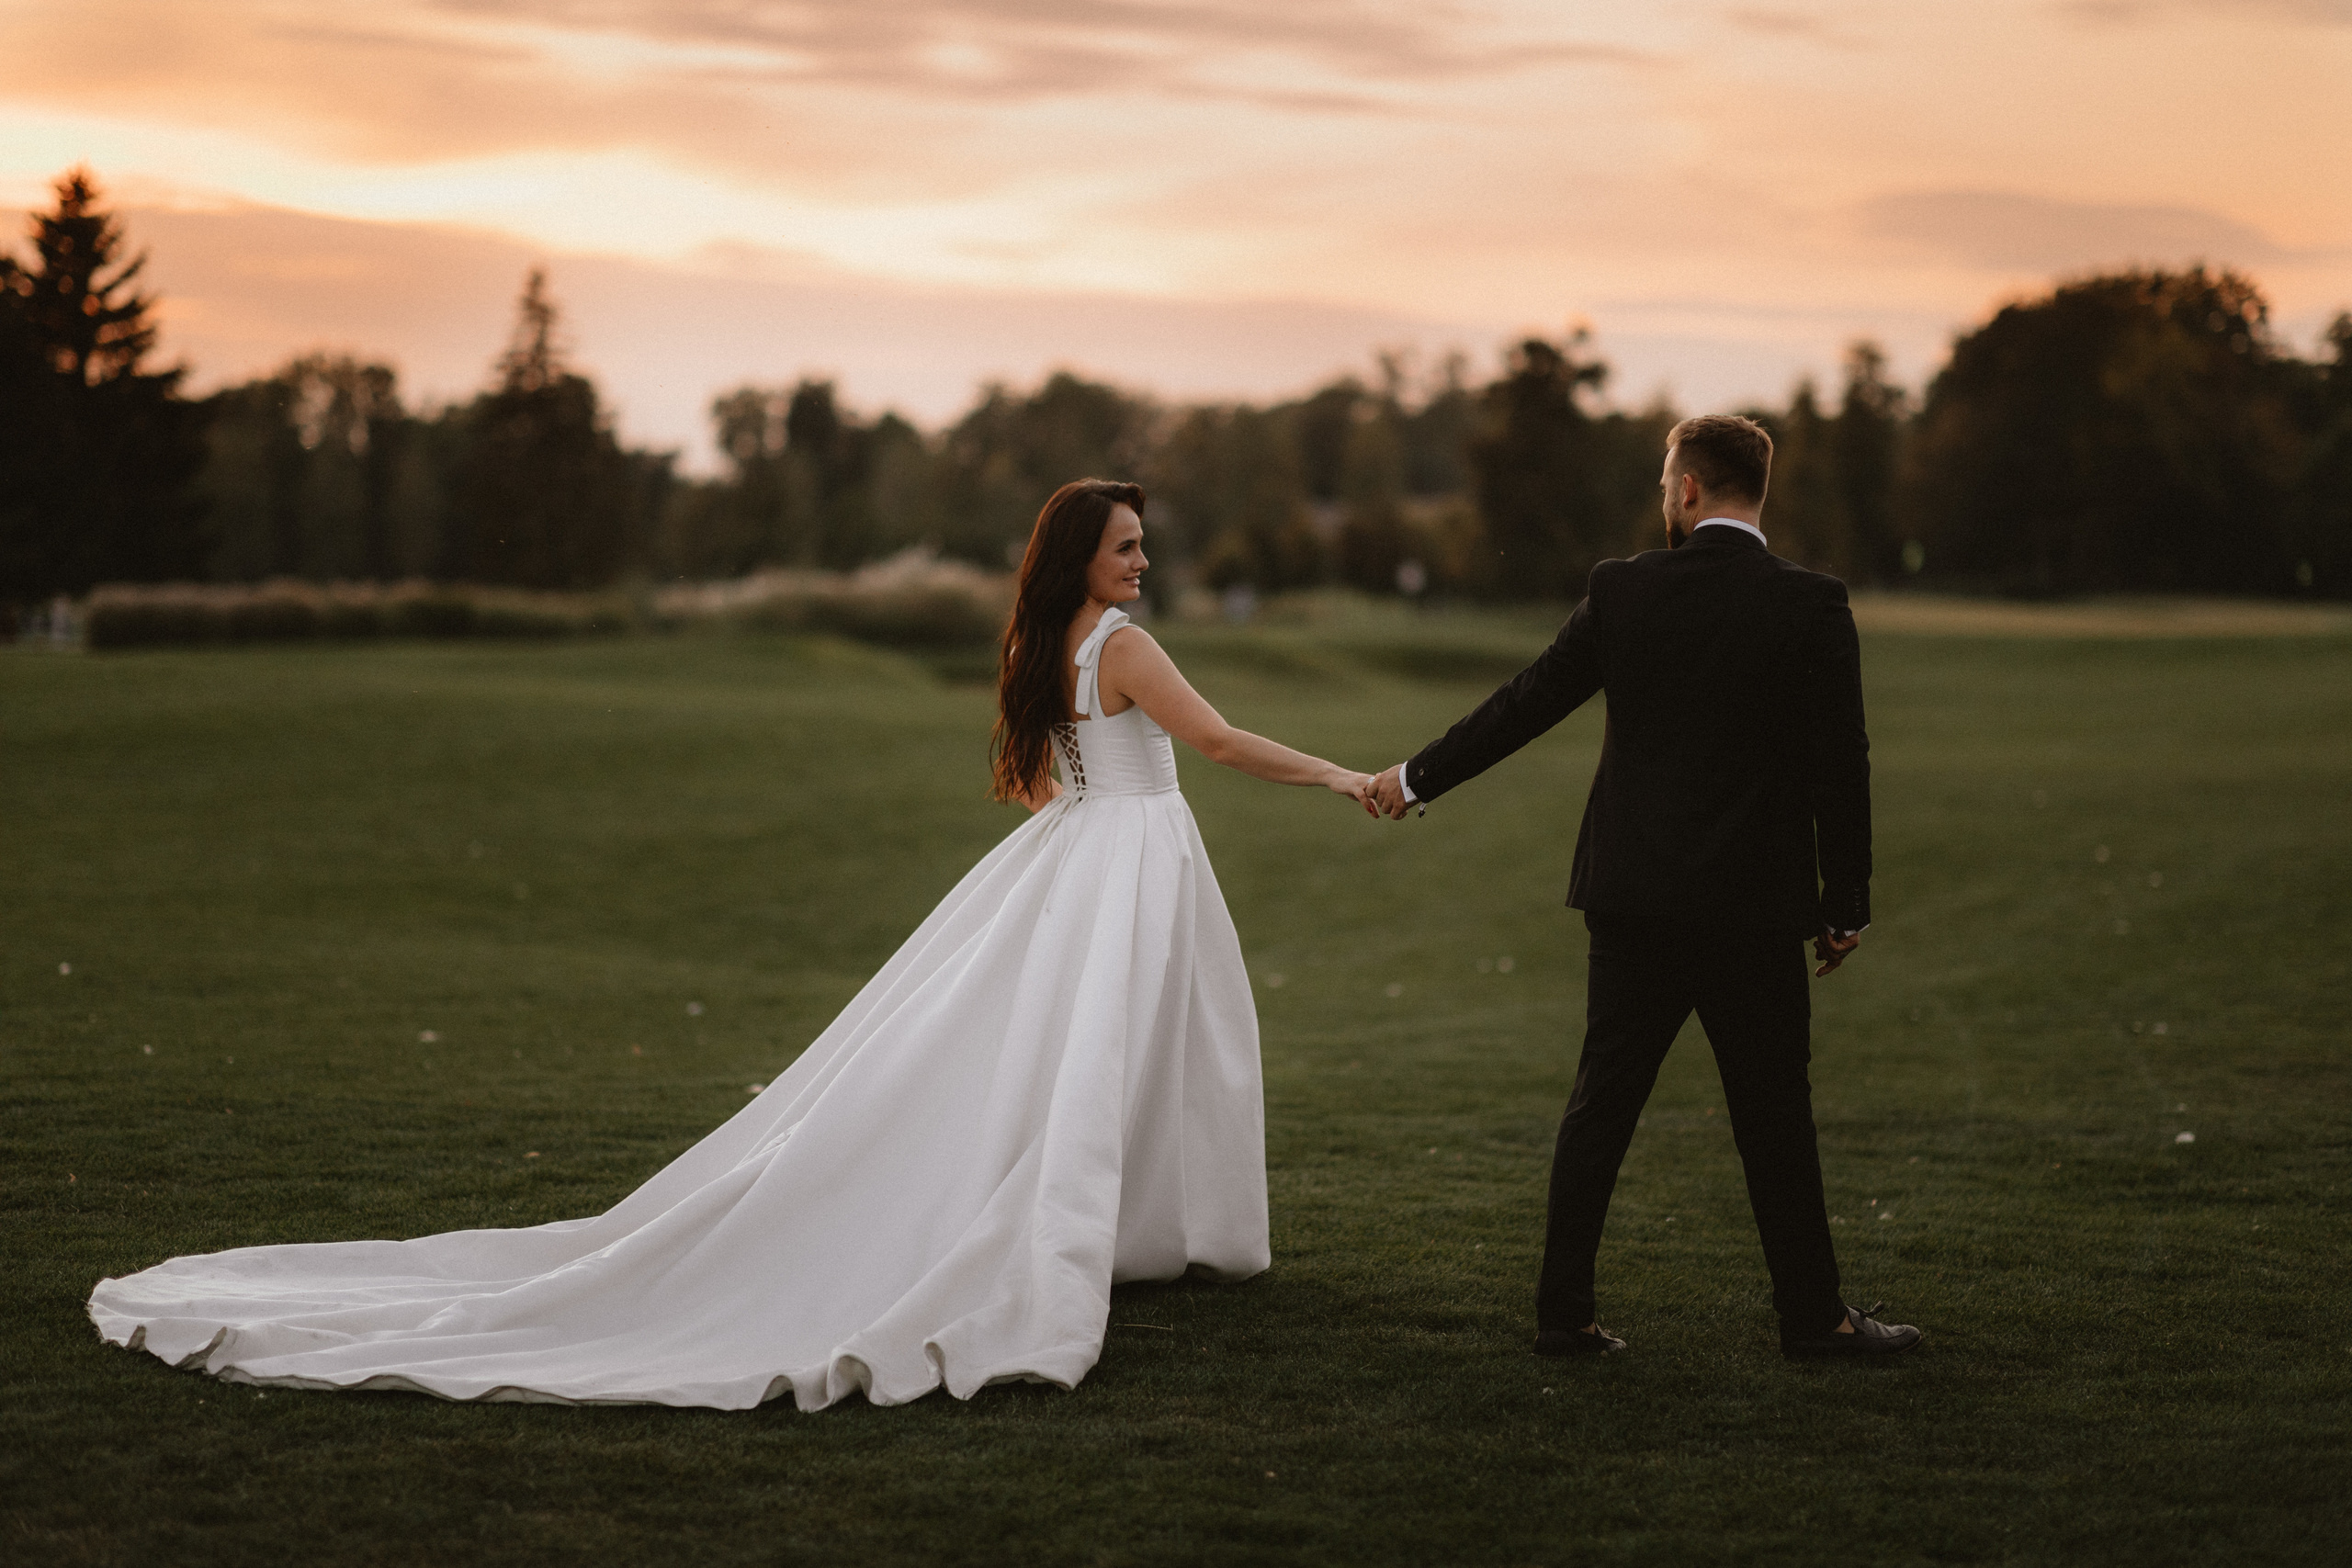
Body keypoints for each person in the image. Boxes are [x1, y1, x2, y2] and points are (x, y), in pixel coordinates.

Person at [89, 479, 1374, 1410]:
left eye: (1143, 544)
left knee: (1087, 1048)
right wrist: (1340, 775)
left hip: (1084, 854)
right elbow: (1213, 743)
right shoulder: (1127, 646)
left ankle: (1117, 1227)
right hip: (1128, 856)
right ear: (1082, 559)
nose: (1144, 560)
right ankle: (1112, 1232)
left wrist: (1093, 825)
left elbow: (1048, 782)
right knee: (1120, 1045)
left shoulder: (1056, 643)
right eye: (1126, 545)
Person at [1366, 415, 1920, 1360]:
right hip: (1753, 909)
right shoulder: (1811, 603)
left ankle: (1563, 1315)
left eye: (1667, 482)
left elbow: (1527, 702)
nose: (1664, 496)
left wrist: (1415, 778)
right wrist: (1845, 906)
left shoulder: (1624, 590)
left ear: (1689, 489)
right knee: (1774, 1118)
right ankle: (1814, 1319)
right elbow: (1843, 762)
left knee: (1602, 1105)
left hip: (1633, 901)